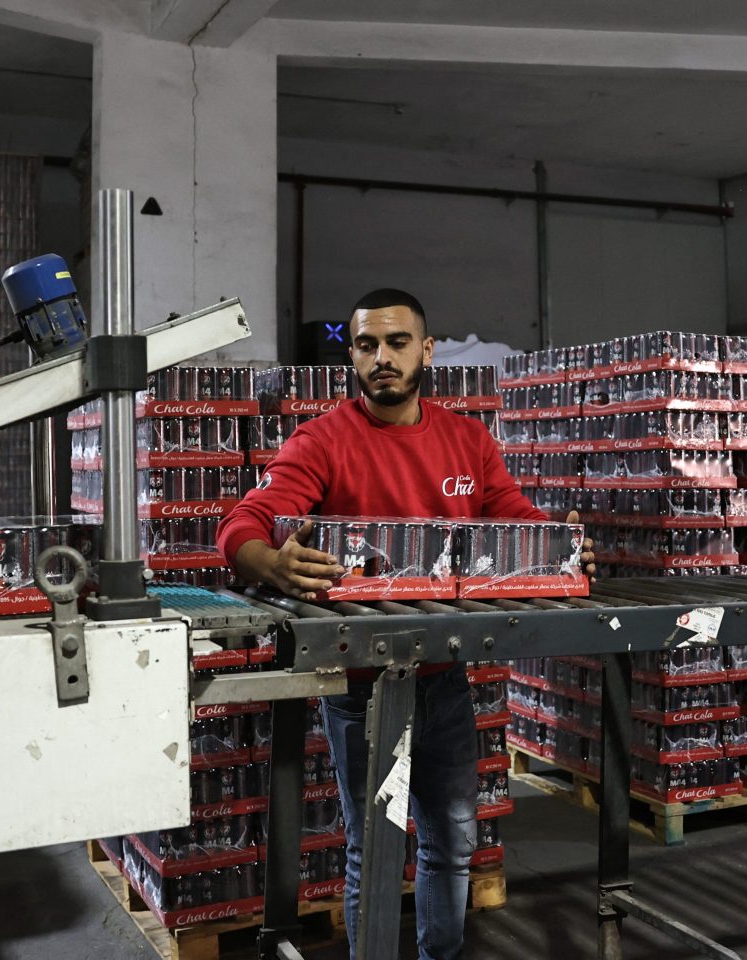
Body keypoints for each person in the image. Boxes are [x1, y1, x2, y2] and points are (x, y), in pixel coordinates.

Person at [217, 288, 594, 959]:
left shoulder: (465, 440)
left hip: (444, 677)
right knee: (376, 847)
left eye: (396, 343)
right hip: (361, 687)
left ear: (427, 349)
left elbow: (511, 514)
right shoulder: (323, 441)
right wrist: (270, 562)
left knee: (452, 842)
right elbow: (244, 523)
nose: (382, 358)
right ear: (352, 355)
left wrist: (557, 543)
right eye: (366, 345)